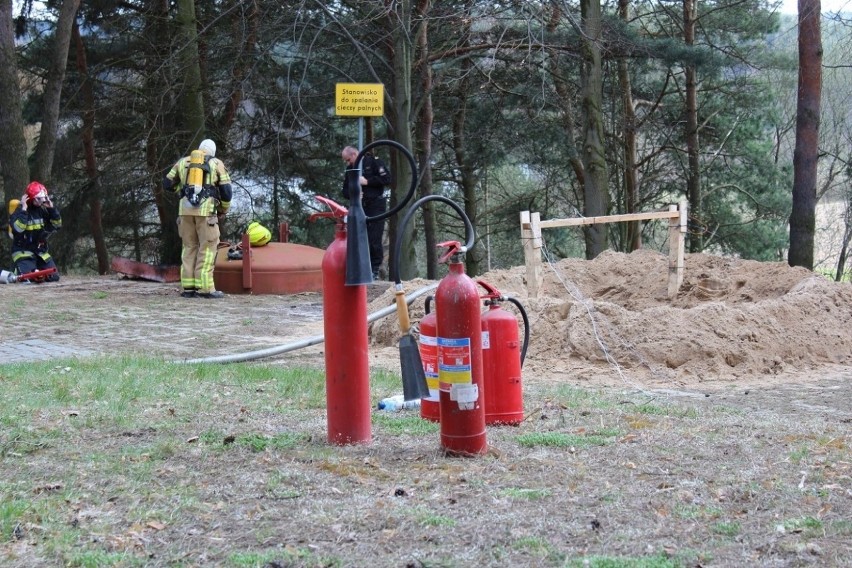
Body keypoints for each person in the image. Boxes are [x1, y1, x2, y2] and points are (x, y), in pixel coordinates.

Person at [163, 139, 232, 298]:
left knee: (189, 247)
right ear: (212, 152)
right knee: (207, 249)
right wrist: (223, 209)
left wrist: (182, 191)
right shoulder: (216, 163)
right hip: (206, 213)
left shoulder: (182, 162)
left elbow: (167, 183)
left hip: (185, 213)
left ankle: (188, 288)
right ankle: (205, 289)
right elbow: (227, 191)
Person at [341, 145, 391, 279]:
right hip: (360, 206)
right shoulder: (350, 169)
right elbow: (345, 191)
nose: (347, 163)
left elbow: (387, 179)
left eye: (348, 159)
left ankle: (374, 269)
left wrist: (367, 181)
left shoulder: (373, 162)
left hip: (376, 204)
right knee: (360, 237)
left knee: (374, 238)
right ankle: (362, 268)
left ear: (354, 155)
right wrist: (354, 194)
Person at [8, 181, 61, 282]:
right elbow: (19, 229)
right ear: (31, 198)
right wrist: (24, 210)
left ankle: (37, 270)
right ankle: (16, 270)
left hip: (40, 251)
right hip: (23, 251)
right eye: (38, 199)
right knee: (29, 277)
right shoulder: (19, 211)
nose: (41, 202)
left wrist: (52, 210)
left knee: (54, 277)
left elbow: (57, 225)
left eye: (43, 199)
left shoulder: (42, 211)